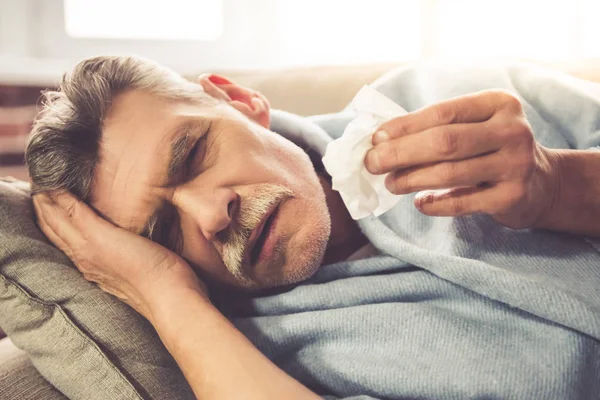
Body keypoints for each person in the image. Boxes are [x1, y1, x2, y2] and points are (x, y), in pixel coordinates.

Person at [27, 56, 600, 399]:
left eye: (192, 154)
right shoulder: (249, 360)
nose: (209, 215)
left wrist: (559, 187)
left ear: (240, 101)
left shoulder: (447, 97)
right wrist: (169, 299)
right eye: (163, 230)